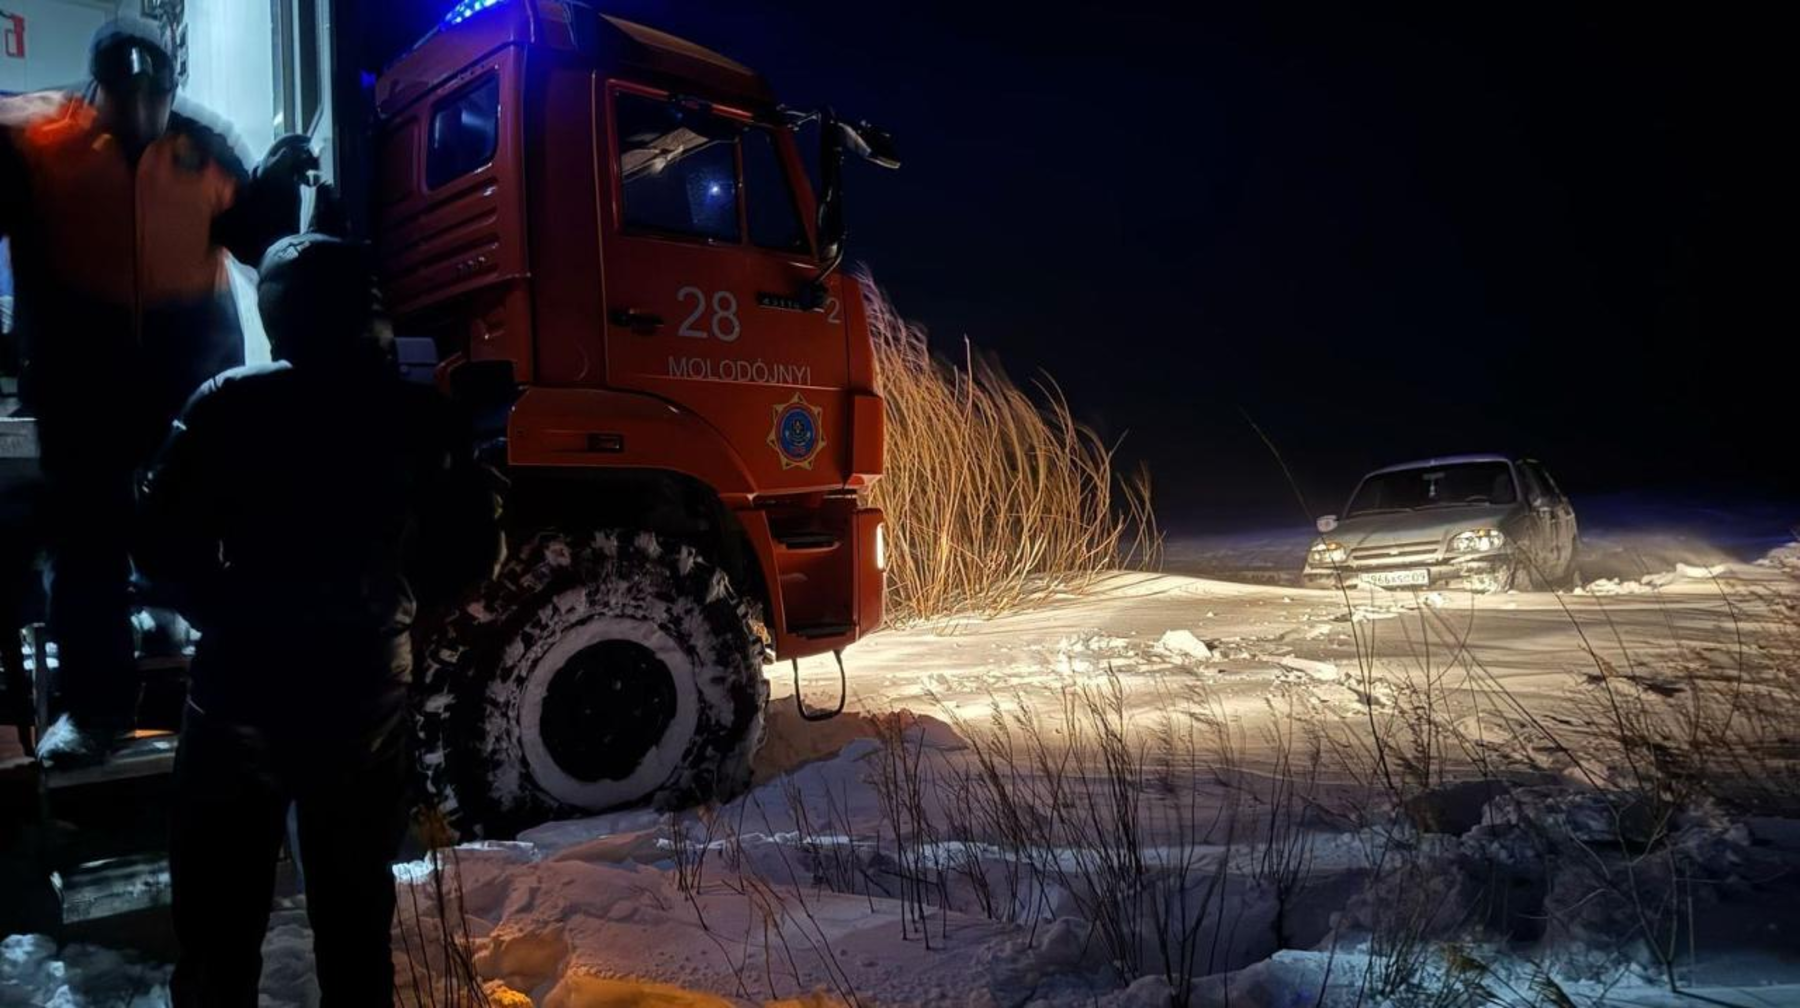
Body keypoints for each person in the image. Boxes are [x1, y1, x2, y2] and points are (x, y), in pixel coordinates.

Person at [139, 231, 495, 1007]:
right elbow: (472, 553)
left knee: (218, 930)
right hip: (366, 699)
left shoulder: (228, 403)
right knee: (355, 920)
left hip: (239, 695)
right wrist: (395, 616)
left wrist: (226, 610)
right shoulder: (423, 418)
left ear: (279, 312)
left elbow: (157, 544)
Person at [0, 17, 316, 768]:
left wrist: (276, 185)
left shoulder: (200, 148)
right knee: (88, 545)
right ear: (96, 90)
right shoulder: (40, 143)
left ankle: (228, 667)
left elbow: (256, 241)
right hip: (85, 384)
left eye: (156, 96)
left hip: (189, 378)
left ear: (171, 90)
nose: (141, 112)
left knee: (208, 530)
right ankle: (97, 711)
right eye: (124, 97)